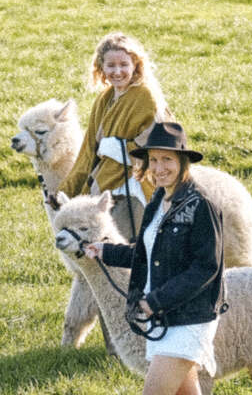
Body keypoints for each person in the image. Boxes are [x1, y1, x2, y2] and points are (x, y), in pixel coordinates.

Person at [83, 122, 236, 395]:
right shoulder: (159, 201)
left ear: (183, 161)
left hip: (187, 319)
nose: (160, 167)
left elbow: (205, 269)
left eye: (167, 159)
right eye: (154, 161)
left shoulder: (201, 205)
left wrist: (156, 302)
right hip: (165, 317)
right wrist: (106, 251)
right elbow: (146, 253)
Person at [56, 32, 170, 240]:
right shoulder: (104, 99)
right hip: (105, 181)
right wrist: (68, 190)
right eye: (111, 65)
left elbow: (159, 145)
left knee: (126, 246)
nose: (117, 71)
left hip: (135, 183)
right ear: (101, 67)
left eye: (124, 64)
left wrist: (122, 151)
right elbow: (88, 150)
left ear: (135, 64)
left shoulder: (145, 96)